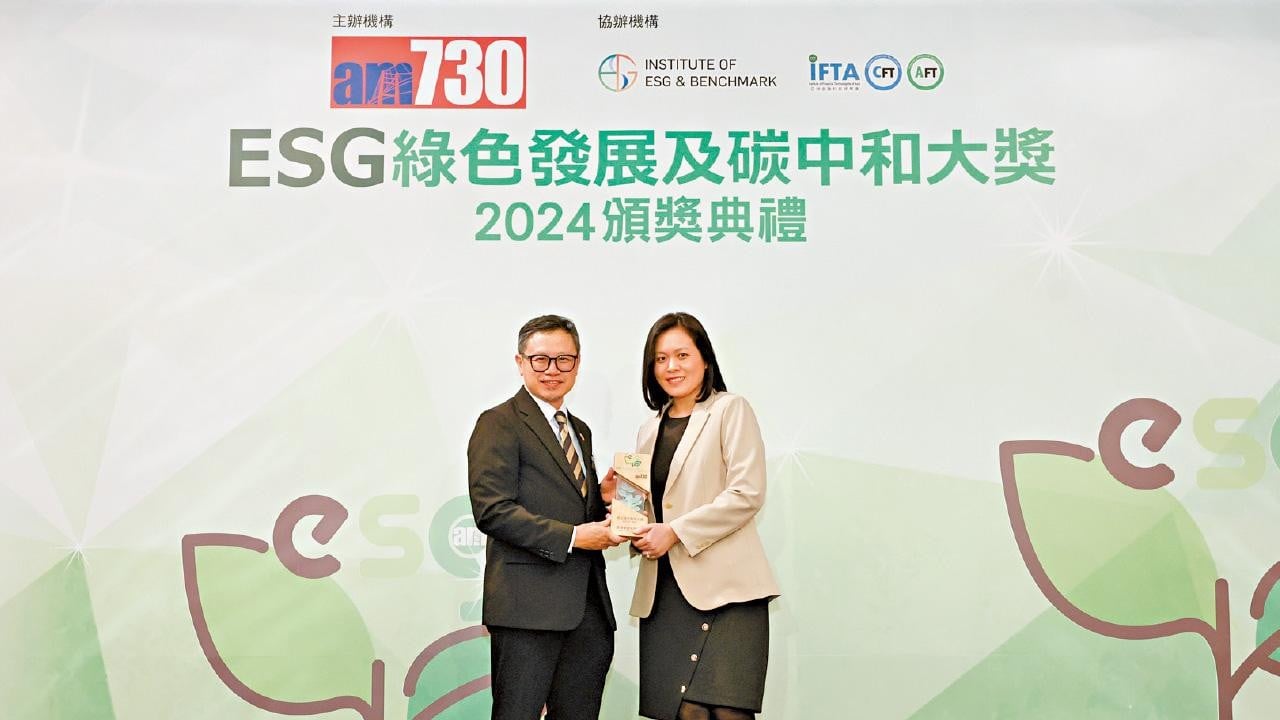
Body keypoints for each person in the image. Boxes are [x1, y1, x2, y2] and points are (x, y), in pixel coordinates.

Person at [610, 312, 780, 720]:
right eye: (661, 358)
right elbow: (648, 511)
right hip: (666, 593)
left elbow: (747, 493)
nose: (672, 366)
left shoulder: (730, 409)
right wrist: (619, 505)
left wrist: (675, 532)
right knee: (684, 713)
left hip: (729, 592)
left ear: (705, 358)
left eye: (682, 355)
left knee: (730, 712)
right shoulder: (648, 430)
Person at [468, 314, 624, 720]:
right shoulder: (498, 423)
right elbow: (492, 510)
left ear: (578, 363)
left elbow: (569, 508)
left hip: (588, 610)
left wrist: (602, 500)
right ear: (520, 363)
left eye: (564, 359)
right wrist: (573, 537)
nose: (552, 369)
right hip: (526, 610)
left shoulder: (580, 430)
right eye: (541, 359)